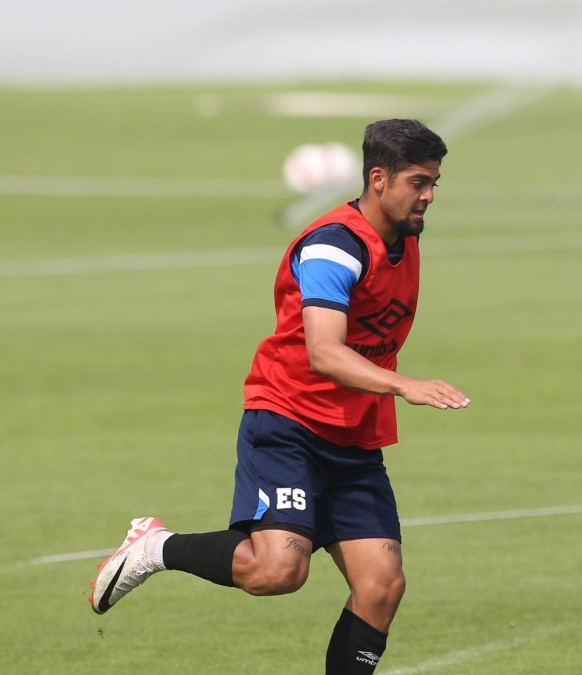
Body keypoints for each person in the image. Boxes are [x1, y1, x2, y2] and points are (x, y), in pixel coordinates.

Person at [88, 119, 470, 674]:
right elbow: (324, 352)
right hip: (289, 424)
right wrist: (405, 384)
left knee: (382, 586)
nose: (429, 196)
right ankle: (155, 547)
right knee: (277, 573)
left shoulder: (401, 240)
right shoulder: (333, 247)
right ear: (379, 178)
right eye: (419, 182)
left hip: (355, 437)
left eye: (435, 182)